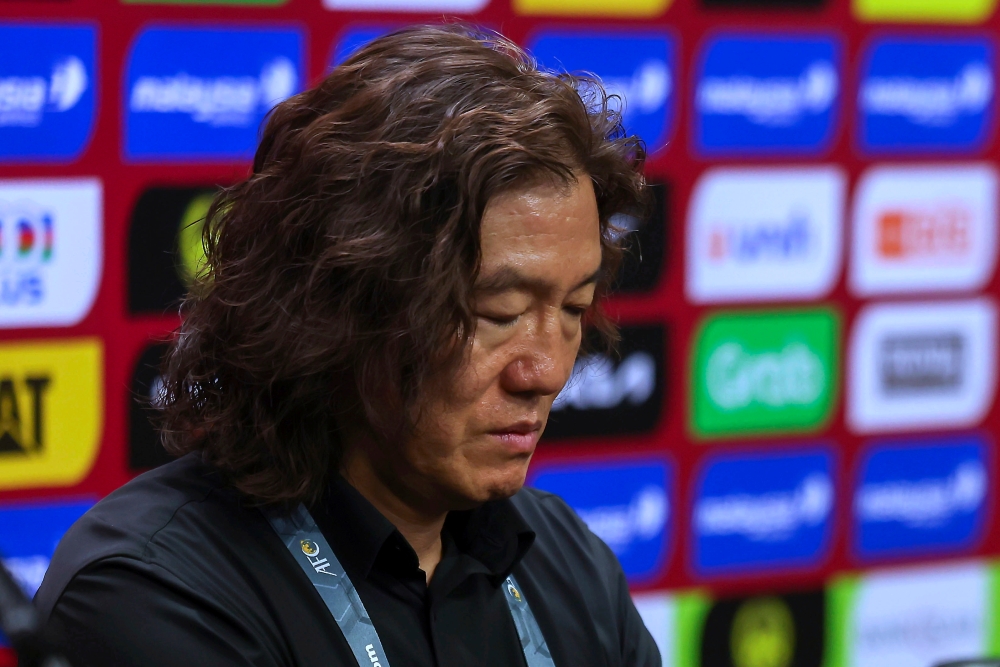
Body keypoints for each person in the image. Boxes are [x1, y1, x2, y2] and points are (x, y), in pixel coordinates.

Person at [34, 24, 657, 667]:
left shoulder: (566, 560)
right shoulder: (152, 591)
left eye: (574, 308)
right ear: (341, 304)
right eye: (495, 312)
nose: (548, 369)